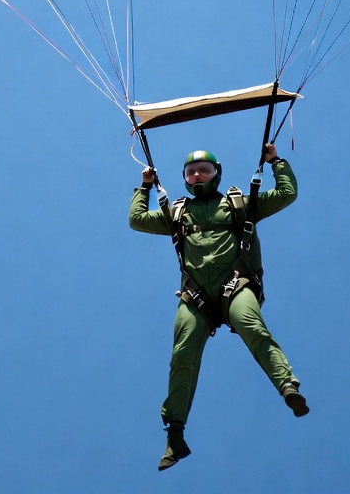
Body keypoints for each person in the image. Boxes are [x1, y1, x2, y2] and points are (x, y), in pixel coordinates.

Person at [129, 143, 308, 471]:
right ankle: (175, 434)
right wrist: (145, 186)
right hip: (195, 296)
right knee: (182, 354)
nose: (198, 176)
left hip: (234, 286)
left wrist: (275, 161)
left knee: (253, 328)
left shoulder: (238, 204)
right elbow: (137, 219)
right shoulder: (177, 213)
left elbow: (287, 193)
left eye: (204, 171)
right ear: (184, 179)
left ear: (216, 174)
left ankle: (287, 385)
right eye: (191, 172)